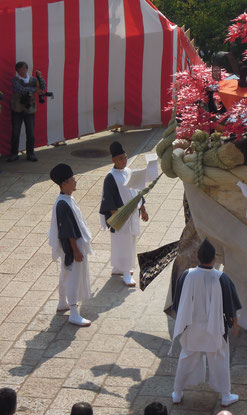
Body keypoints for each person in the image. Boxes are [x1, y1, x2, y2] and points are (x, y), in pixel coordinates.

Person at [171, 238, 241, 407]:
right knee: (220, 360)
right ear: (214, 258)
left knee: (186, 358)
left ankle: (177, 393)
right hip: (216, 329)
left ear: (197, 256)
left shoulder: (186, 276)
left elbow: (178, 303)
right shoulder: (222, 278)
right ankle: (225, 395)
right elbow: (231, 307)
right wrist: (235, 325)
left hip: (192, 327)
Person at [48, 163, 92, 327]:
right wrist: (76, 251)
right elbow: (68, 232)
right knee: (74, 277)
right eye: (72, 180)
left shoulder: (66, 199)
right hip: (73, 247)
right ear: (64, 184)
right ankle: (74, 312)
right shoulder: (62, 204)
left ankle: (62, 303)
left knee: (66, 273)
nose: (75, 181)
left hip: (72, 247)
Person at [99, 141, 148, 287]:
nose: (124, 161)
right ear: (113, 160)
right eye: (120, 159)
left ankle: (118, 268)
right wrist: (118, 218)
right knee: (123, 244)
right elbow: (109, 200)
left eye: (125, 158)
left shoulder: (129, 171)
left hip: (132, 216)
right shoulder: (110, 177)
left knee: (129, 243)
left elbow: (138, 191)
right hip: (120, 217)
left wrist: (143, 209)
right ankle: (126, 273)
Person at [7, 61, 46, 162]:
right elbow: (19, 89)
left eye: (24, 69)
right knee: (15, 133)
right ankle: (14, 153)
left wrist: (40, 77)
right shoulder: (15, 80)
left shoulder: (33, 79)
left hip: (30, 110)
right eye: (20, 69)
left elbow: (43, 87)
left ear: (26, 69)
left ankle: (30, 153)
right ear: (17, 71)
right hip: (17, 109)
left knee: (31, 133)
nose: (22, 71)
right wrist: (34, 90)